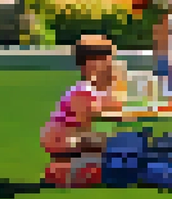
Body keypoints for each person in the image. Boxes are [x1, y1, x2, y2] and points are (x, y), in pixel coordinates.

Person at [40, 35, 123, 186]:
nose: (112, 65)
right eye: (107, 60)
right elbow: (88, 121)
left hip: (79, 142)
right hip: (68, 142)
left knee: (122, 149)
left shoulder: (98, 89)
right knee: (119, 152)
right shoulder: (82, 90)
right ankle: (65, 172)